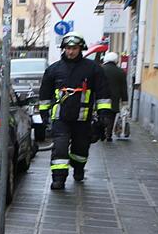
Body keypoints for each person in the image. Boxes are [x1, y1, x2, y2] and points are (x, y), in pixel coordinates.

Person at [37, 34, 112, 189]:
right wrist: (44, 114)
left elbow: (103, 93)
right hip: (61, 118)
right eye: (68, 48)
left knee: (81, 149)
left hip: (82, 119)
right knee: (60, 148)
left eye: (74, 48)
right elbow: (44, 94)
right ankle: (58, 179)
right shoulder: (53, 70)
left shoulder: (92, 69)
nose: (70, 52)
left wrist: (104, 115)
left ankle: (78, 169)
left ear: (81, 49)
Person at [102, 51, 129, 140]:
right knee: (111, 116)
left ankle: (102, 132)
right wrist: (125, 100)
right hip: (114, 99)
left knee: (102, 115)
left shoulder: (101, 69)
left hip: (102, 97)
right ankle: (108, 134)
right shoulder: (120, 72)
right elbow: (123, 88)